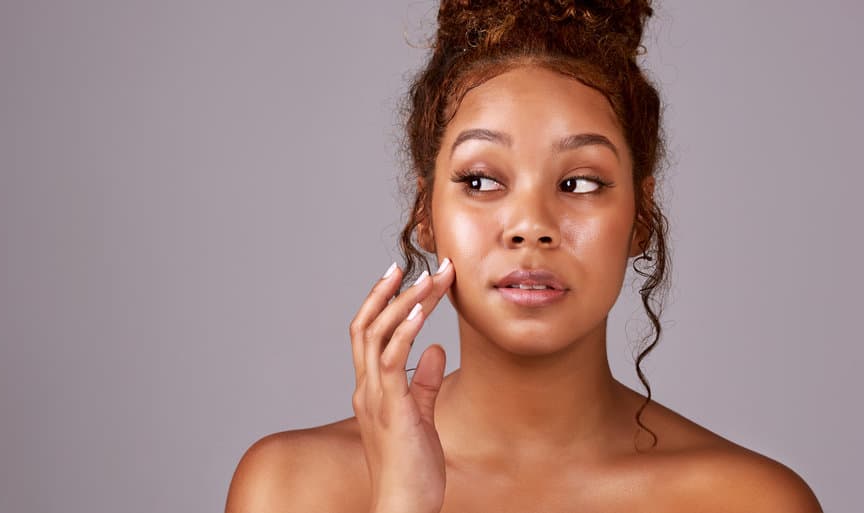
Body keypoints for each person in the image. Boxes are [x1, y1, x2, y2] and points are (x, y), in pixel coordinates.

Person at [225, 1, 822, 511]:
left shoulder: (748, 500)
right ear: (424, 212)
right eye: (482, 181)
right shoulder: (292, 490)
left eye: (580, 183)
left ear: (641, 216)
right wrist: (403, 501)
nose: (532, 227)